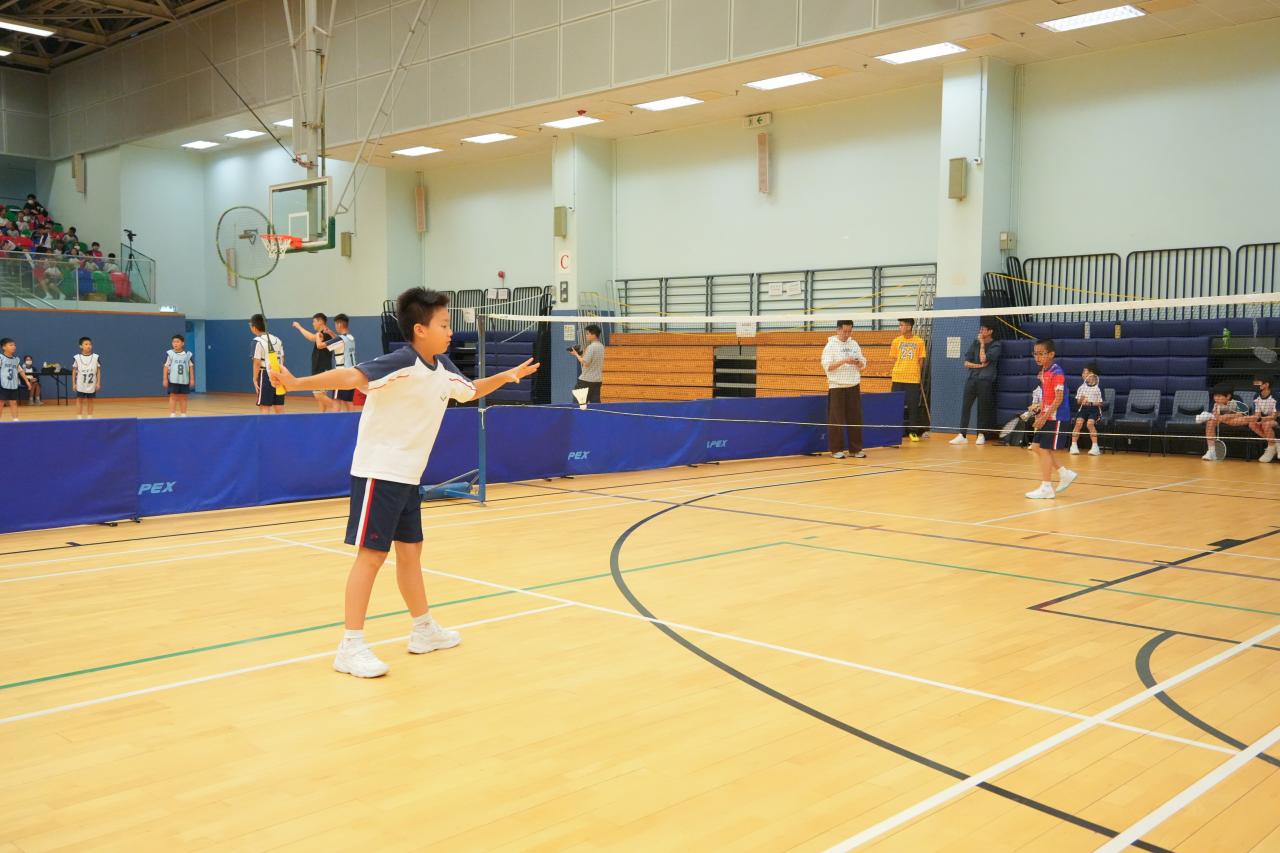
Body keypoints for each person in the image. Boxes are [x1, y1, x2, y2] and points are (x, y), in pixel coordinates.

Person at [268, 287, 540, 678]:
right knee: (371, 557)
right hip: (379, 471)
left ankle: (423, 629)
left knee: (411, 553)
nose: (450, 331)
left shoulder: (443, 366)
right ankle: (350, 645)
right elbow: (352, 375)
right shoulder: (400, 361)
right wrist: (296, 384)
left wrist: (506, 376)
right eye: (443, 324)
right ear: (419, 329)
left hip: (408, 476)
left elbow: (469, 391)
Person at [1026, 338, 1076, 499]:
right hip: (1047, 415)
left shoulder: (1057, 373)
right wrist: (1039, 409)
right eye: (1035, 353)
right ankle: (1064, 473)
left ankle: (1046, 487)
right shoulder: (1043, 372)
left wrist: (1044, 417)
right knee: (1036, 447)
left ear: (1051, 354)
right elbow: (1047, 396)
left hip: (1057, 417)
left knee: (1044, 449)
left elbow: (1058, 398)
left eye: (1042, 354)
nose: (1037, 357)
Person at [821, 320, 867, 459]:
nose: (847, 334)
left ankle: (855, 449)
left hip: (853, 385)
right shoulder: (830, 346)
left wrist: (858, 362)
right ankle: (836, 450)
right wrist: (844, 361)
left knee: (855, 419)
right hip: (837, 387)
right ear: (838, 330)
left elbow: (863, 363)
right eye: (845, 331)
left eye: (849, 331)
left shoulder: (854, 344)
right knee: (836, 419)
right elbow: (828, 366)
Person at [951, 320, 1001, 445]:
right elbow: (966, 363)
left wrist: (982, 344)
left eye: (983, 329)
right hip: (972, 378)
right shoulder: (975, 343)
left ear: (990, 331)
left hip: (985, 380)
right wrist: (979, 366)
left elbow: (984, 358)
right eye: (981, 329)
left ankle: (981, 434)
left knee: (983, 408)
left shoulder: (996, 345)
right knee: (965, 406)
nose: (980, 331)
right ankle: (962, 434)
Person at [890, 318, 928, 442]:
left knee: (913, 406)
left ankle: (913, 432)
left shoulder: (919, 341)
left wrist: (914, 371)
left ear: (909, 326)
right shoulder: (896, 341)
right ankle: (897, 431)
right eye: (900, 325)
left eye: (902, 325)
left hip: (912, 379)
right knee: (896, 405)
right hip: (898, 378)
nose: (900, 327)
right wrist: (901, 368)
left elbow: (921, 360)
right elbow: (893, 359)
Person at [291, 313, 336, 412]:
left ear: (320, 321)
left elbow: (312, 338)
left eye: (314, 321)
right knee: (321, 394)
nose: (313, 324)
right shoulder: (323, 333)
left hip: (321, 367)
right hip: (322, 366)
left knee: (318, 394)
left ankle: (336, 407)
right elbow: (313, 338)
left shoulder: (325, 333)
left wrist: (299, 327)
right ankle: (322, 416)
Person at [1196, 383, 1249, 461]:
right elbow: (1215, 415)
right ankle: (1211, 451)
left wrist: (1225, 417)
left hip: (1237, 420)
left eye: (1219, 396)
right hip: (1223, 420)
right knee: (1210, 422)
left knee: (1241, 419)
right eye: (1215, 396)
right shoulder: (1216, 404)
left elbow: (1241, 414)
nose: (1216, 398)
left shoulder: (1236, 402)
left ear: (1228, 396)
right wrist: (1214, 416)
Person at [250, 314, 285, 414]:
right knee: (279, 406)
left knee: (264, 407)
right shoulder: (278, 340)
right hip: (279, 374)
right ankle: (281, 424)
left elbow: (257, 362)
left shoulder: (257, 341)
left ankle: (264, 425)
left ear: (254, 328)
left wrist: (255, 379)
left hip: (265, 375)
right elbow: (282, 358)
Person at [324, 313, 358, 412]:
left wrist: (317, 336)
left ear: (339, 324)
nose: (335, 327)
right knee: (348, 401)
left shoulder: (340, 339)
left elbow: (320, 345)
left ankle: (335, 420)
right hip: (352, 371)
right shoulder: (351, 338)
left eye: (335, 324)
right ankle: (353, 420)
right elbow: (340, 342)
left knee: (336, 400)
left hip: (341, 373)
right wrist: (331, 333)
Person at [1070, 363, 1104, 456]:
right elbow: (1078, 402)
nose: (1082, 374)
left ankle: (1095, 447)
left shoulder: (1098, 387)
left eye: (1084, 372)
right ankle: (1073, 446)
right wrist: (1082, 399)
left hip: (1094, 410)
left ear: (1091, 374)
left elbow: (1101, 403)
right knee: (1078, 423)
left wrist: (1090, 403)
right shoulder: (1081, 387)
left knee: (1090, 424)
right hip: (1083, 409)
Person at [0, 338, 34, 421]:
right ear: (4, 347)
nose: (14, 347)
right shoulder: (1, 358)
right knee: (1, 402)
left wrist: (27, 381)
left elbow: (21, 371)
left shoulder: (16, 359)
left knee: (14, 402)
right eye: (11, 345)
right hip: (2, 384)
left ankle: (15, 419)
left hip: (13, 384)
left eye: (14, 345)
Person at [571, 323, 605, 404]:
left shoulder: (591, 347)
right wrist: (581, 354)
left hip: (585, 382)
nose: (586, 336)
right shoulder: (601, 347)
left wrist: (576, 354)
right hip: (597, 381)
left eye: (587, 334)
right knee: (595, 406)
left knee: (578, 405)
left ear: (593, 335)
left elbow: (585, 363)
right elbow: (592, 360)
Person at [164, 334, 195, 417]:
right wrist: (165, 379)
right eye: (173, 342)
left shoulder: (188, 354)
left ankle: (183, 414)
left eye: (177, 342)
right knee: (173, 396)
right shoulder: (170, 354)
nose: (175, 343)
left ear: (182, 343)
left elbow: (191, 367)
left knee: (183, 397)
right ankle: (172, 413)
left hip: (184, 380)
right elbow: (166, 367)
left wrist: (192, 379)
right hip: (173, 379)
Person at [1248, 375, 1277, 463]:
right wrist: (1253, 418)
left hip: (1276, 419)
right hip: (1264, 418)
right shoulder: (1256, 396)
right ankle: (1275, 443)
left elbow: (1274, 416)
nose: (1255, 385)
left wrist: (1262, 420)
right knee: (1251, 424)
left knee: (1266, 424)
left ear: (1266, 384)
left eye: (1258, 383)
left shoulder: (1276, 396)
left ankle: (1271, 448)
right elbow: (1257, 414)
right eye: (1255, 383)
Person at [73, 336, 101, 419]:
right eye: (86, 344)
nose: (88, 346)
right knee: (79, 399)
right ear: (81, 346)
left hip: (91, 384)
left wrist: (98, 382)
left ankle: (90, 417)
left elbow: (98, 371)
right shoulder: (77, 358)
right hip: (80, 383)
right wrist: (74, 383)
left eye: (90, 344)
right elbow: (74, 371)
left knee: (90, 400)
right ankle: (79, 417)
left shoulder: (96, 357)